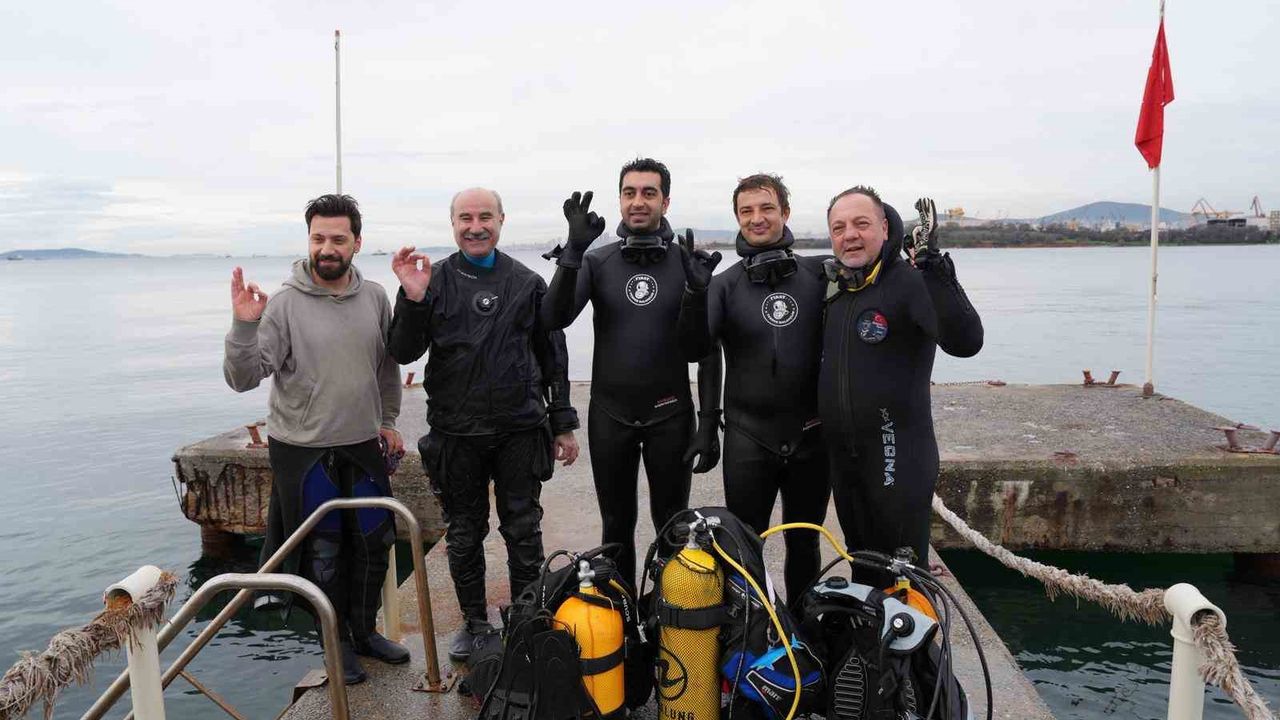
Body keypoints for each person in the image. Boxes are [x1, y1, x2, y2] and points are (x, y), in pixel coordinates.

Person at [387, 187, 580, 661]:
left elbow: (553, 355)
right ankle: (474, 622)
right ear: (453, 223)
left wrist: (563, 422)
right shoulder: (429, 280)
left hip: (520, 428)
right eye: (466, 218)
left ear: (501, 220)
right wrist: (412, 299)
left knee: (523, 528)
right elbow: (403, 352)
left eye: (485, 217)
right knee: (464, 532)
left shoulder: (528, 282)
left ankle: (527, 619)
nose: (476, 227)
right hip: (456, 432)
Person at [223, 193, 407, 685]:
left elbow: (386, 368)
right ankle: (335, 642)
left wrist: (389, 421)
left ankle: (364, 632)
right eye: (318, 238)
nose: (327, 248)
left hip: (362, 442)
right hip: (302, 450)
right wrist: (243, 325)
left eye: (338, 239)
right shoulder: (284, 303)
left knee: (374, 540)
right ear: (308, 240)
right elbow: (243, 378)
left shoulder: (375, 298)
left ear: (357, 243)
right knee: (324, 553)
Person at [541, 157, 722, 589]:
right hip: (611, 415)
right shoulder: (597, 261)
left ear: (665, 201)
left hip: (671, 415)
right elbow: (553, 318)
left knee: (673, 525)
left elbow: (706, 351)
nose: (638, 201)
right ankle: (621, 614)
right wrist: (572, 252)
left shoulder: (688, 264)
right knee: (616, 524)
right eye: (629, 193)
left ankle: (671, 614)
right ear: (620, 199)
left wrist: (708, 423)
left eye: (649, 193)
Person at [818, 187, 983, 586]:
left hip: (898, 455)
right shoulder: (837, 287)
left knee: (905, 574)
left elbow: (966, 342)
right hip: (845, 460)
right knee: (862, 564)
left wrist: (935, 270)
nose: (849, 234)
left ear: (885, 227)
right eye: (839, 227)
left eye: (861, 224)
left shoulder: (911, 281)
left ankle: (915, 627)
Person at [677, 173, 829, 603]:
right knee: (745, 545)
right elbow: (695, 350)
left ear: (786, 212)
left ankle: (802, 625)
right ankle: (754, 627)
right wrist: (694, 293)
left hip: (811, 435)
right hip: (748, 436)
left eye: (766, 208)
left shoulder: (821, 274)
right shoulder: (722, 284)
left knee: (806, 541)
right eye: (746, 211)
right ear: (737, 218)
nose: (756, 218)